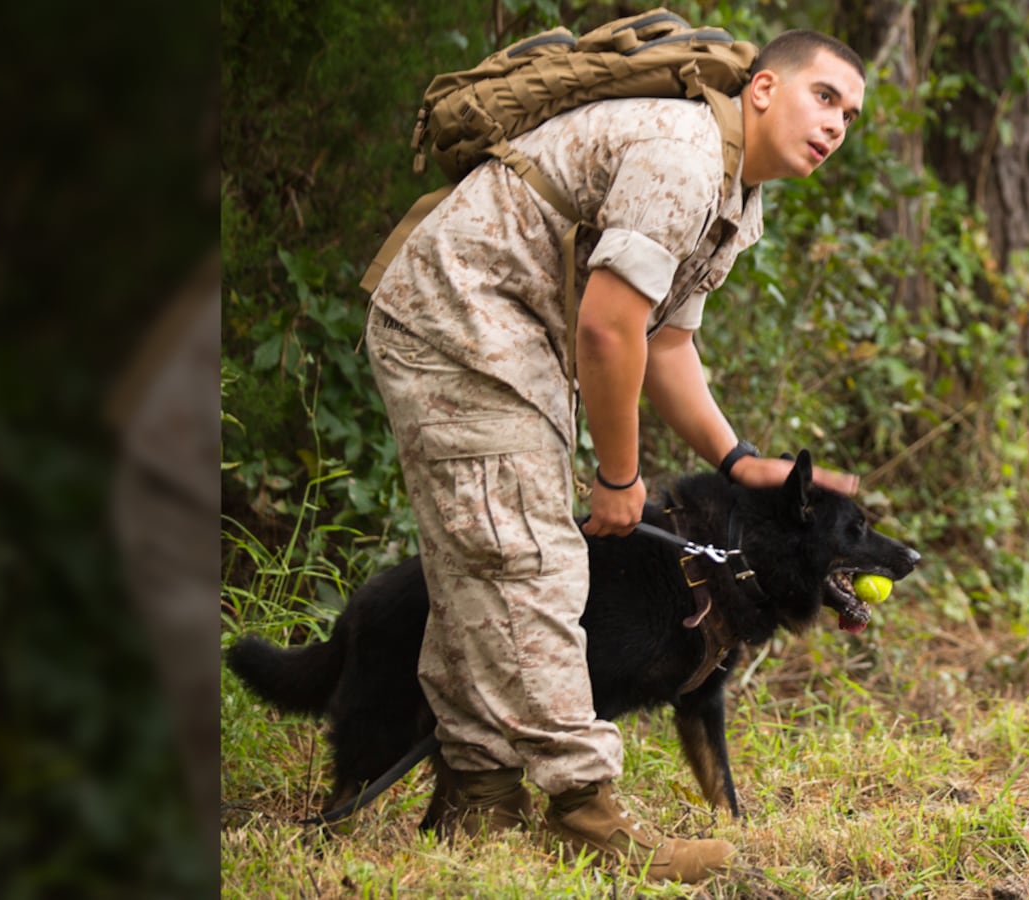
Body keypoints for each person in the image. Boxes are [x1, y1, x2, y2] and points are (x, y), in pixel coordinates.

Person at [363, 28, 866, 883]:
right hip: (460, 322)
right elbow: (607, 327)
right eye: (824, 97)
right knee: (537, 564)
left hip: (504, 339)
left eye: (850, 115)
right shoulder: (684, 156)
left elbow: (666, 347)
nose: (836, 125)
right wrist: (619, 476)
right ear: (764, 89)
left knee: (484, 563)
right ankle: (584, 808)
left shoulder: (736, 198)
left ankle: (476, 800)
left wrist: (739, 459)